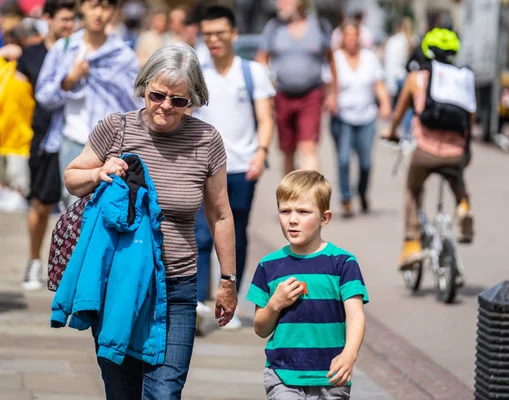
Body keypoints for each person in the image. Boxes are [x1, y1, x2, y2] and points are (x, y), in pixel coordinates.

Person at [62, 43, 238, 398]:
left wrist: (228, 280)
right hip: (119, 287)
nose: (165, 107)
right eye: (157, 95)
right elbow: (72, 177)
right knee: (122, 392)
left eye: (179, 100)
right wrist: (99, 172)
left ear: (194, 100)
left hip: (178, 286)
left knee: (164, 393)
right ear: (144, 87)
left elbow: (220, 213)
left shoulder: (206, 140)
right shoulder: (116, 128)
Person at [247, 170, 369, 399]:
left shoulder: (342, 263)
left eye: (303, 212)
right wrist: (275, 304)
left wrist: (349, 354)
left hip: (332, 375)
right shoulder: (269, 265)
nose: (292, 219)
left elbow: (356, 315)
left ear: (324, 218)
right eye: (285, 211)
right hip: (283, 374)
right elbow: (261, 328)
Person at [193, 5, 275, 331]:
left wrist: (261, 153)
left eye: (219, 33)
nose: (213, 40)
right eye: (208, 34)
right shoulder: (197, 72)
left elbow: (266, 118)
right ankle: (199, 301)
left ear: (233, 34)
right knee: (200, 234)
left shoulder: (251, 72)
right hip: (205, 168)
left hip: (242, 167)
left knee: (236, 234)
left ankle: (230, 302)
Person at [381, 28, 475, 271]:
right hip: (455, 153)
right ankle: (464, 206)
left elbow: (399, 113)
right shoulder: (464, 79)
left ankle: (412, 242)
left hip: (424, 152)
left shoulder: (416, 78)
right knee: (456, 178)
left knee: (412, 189)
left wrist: (391, 132)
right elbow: (470, 120)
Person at [36, 0, 139, 207]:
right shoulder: (64, 49)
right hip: (72, 141)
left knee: (106, 212)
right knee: (72, 211)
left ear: (115, 11)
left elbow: (134, 104)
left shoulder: (123, 55)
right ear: (81, 7)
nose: (99, 13)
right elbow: (43, 96)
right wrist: (69, 80)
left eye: (106, 6)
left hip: (111, 148)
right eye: (93, 5)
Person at [15, 0, 75, 291]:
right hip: (42, 138)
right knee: (41, 203)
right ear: (48, 19)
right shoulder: (32, 54)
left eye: (72, 19)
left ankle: (69, 269)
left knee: (75, 207)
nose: (68, 25)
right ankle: (33, 260)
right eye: (63, 19)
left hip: (76, 136)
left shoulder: (79, 51)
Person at [256, 0, 337, 175]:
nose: (279, 4)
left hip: (311, 95)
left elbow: (331, 61)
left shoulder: (320, 27)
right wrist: (266, 88)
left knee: (308, 146)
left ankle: (312, 198)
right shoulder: (274, 27)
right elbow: (261, 59)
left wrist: (333, 94)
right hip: (282, 96)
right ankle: (290, 197)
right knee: (287, 152)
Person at [330, 19, 390, 218]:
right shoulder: (335, 58)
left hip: (366, 116)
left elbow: (378, 83)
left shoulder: (370, 57)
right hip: (343, 116)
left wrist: (385, 103)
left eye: (354, 36)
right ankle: (346, 198)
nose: (351, 40)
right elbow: (328, 85)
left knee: (365, 163)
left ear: (359, 38)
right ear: (342, 39)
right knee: (344, 159)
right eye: (347, 36)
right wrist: (330, 99)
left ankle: (362, 193)